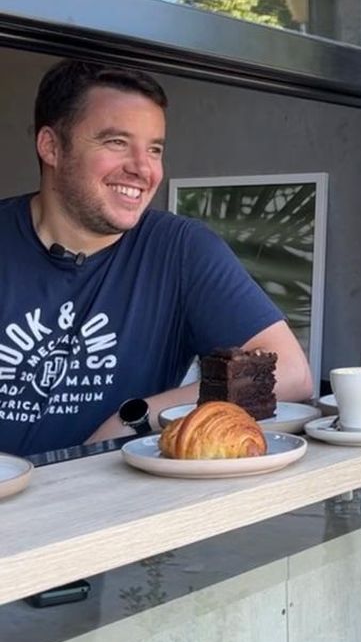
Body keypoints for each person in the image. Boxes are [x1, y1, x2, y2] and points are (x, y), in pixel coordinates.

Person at [0, 58, 313, 457]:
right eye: (116, 142)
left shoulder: (180, 250)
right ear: (51, 147)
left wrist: (134, 416)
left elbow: (290, 374)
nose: (143, 168)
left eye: (154, 149)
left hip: (121, 506)